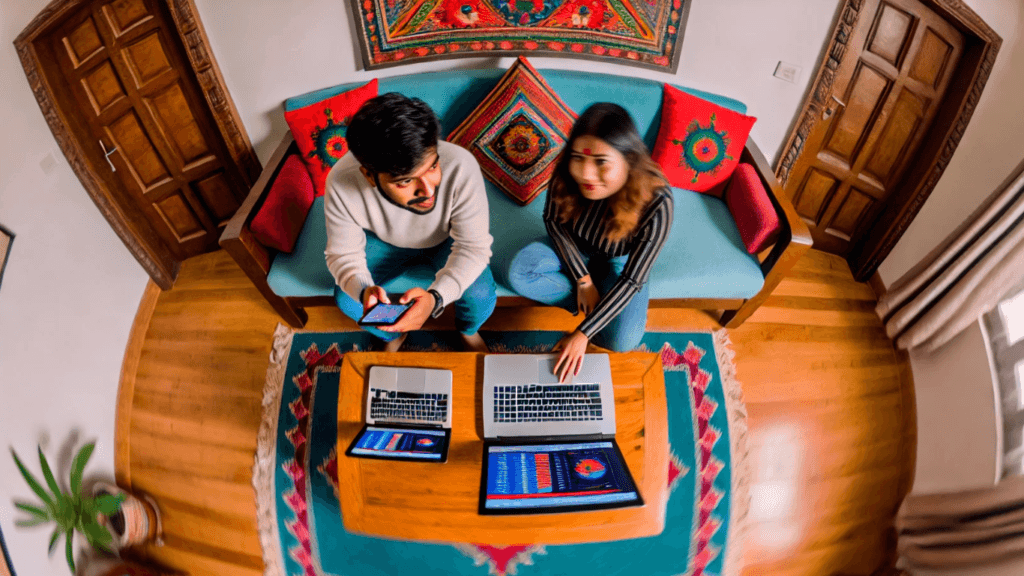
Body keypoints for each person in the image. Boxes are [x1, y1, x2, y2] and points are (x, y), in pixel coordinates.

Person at [509, 103, 673, 381]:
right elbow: (553, 221)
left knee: (624, 340)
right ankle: (591, 300)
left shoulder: (658, 202)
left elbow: (633, 280)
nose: (585, 174)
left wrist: (583, 333)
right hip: (575, 248)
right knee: (519, 270)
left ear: (629, 161)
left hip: (617, 262)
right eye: (579, 158)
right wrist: (583, 280)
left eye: (601, 162)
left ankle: (595, 308)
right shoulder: (565, 169)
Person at [324, 92, 496, 352]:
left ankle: (467, 330)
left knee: (481, 296)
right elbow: (342, 254)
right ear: (369, 176)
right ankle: (392, 333)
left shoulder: (462, 165)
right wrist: (364, 293)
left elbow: (474, 247)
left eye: (433, 167)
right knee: (347, 301)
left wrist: (436, 300)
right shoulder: (341, 182)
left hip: (446, 238)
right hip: (384, 241)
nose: (428, 191)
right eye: (405, 181)